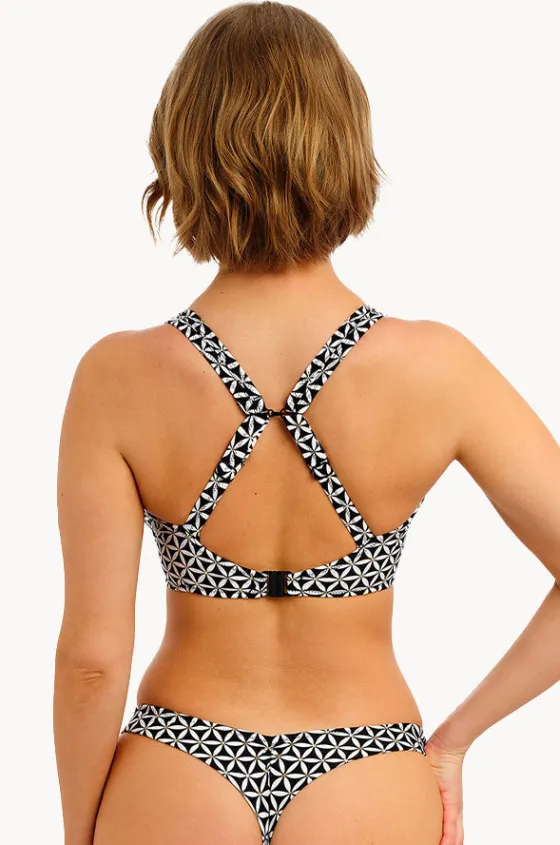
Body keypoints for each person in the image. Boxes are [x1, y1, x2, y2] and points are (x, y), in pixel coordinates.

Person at [53, 4, 560, 845]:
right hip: (367, 765)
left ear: (182, 154)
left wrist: (82, 833)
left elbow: (92, 661)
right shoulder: (436, 367)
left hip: (179, 763)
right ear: (345, 151)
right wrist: (455, 739)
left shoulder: (118, 377)